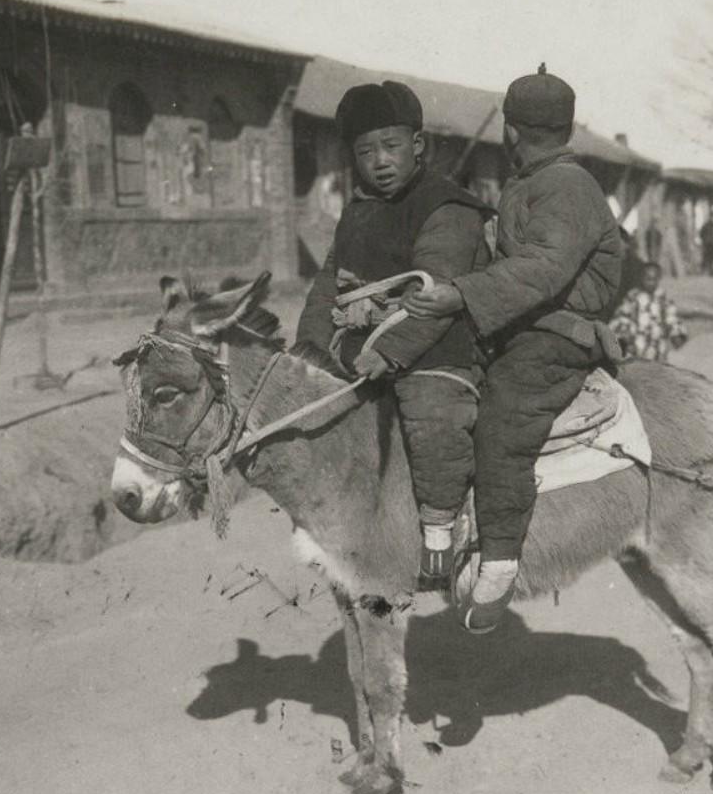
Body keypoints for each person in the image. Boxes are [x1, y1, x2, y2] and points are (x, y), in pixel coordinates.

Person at [404, 64, 622, 631]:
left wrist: (460, 295)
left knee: (502, 423)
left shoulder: (568, 186)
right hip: (514, 324)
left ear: (511, 130)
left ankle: (499, 560)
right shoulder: (534, 180)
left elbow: (544, 268)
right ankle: (436, 524)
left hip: (556, 335)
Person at [293, 80, 494, 589]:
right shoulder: (356, 213)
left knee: (430, 409)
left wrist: (389, 353)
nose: (379, 160)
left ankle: (441, 529)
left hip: (439, 345)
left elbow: (434, 295)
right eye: (365, 151)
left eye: (391, 146)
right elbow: (326, 286)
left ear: (418, 146)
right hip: (363, 345)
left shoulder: (447, 207)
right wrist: (310, 352)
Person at [610, 262, 687, 362]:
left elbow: (671, 317)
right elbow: (623, 316)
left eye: (654, 279)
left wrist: (676, 334)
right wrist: (625, 338)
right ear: (641, 278)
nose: (651, 283)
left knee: (658, 371)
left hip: (658, 344)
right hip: (637, 344)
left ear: (659, 279)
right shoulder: (633, 296)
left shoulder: (663, 298)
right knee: (637, 370)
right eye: (648, 279)